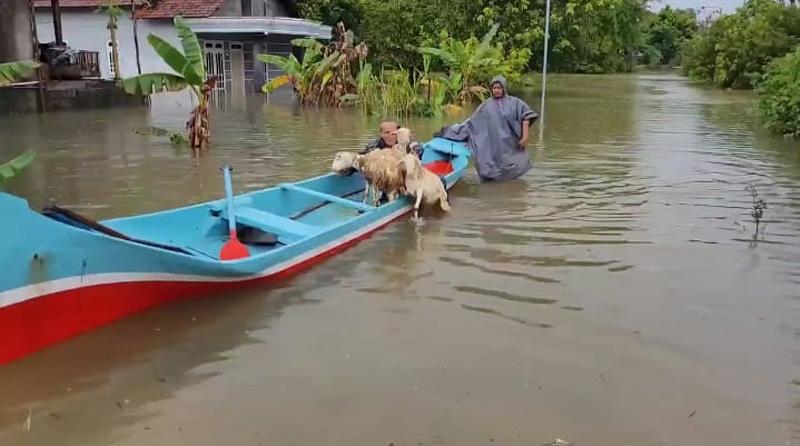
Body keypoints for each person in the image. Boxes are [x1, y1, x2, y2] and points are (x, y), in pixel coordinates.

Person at [435, 75, 538, 182]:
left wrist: (525, 137)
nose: (496, 90)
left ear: (504, 88)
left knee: (513, 166)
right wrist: (453, 131)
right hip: (493, 144)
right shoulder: (486, 106)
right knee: (492, 168)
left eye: (499, 88)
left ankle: (510, 186)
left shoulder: (515, 102)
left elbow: (526, 116)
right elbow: (472, 123)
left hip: (510, 143)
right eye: (494, 88)